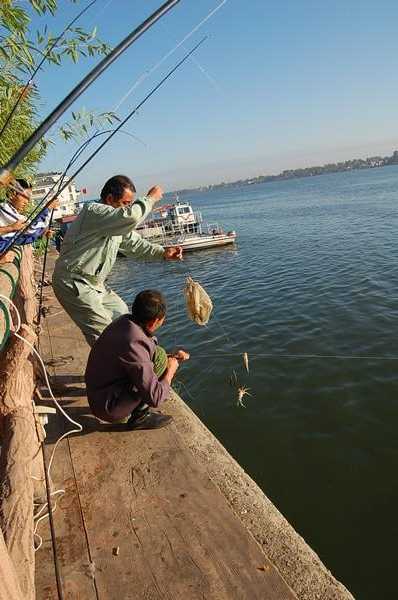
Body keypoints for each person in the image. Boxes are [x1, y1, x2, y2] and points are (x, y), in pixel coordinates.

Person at [52, 175, 182, 347]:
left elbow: (135, 245)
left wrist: (163, 253)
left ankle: (130, 360)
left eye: (130, 204)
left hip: (96, 284)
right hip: (73, 282)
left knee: (125, 320)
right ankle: (109, 371)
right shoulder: (93, 211)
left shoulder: (114, 224)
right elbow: (130, 217)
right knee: (106, 336)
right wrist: (150, 199)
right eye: (125, 203)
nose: (128, 207)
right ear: (110, 199)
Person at [85, 289, 189, 430]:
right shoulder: (135, 342)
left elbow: (138, 358)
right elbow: (156, 398)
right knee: (160, 360)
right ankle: (139, 418)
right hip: (108, 408)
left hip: (99, 394)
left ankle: (132, 409)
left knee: (160, 354)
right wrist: (171, 370)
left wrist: (172, 357)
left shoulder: (125, 322)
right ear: (154, 322)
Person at [0, 178, 58, 255]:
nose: (27, 202)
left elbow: (24, 236)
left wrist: (42, 233)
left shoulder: (12, 211)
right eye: (25, 197)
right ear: (13, 194)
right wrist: (48, 208)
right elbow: (32, 229)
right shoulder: (5, 209)